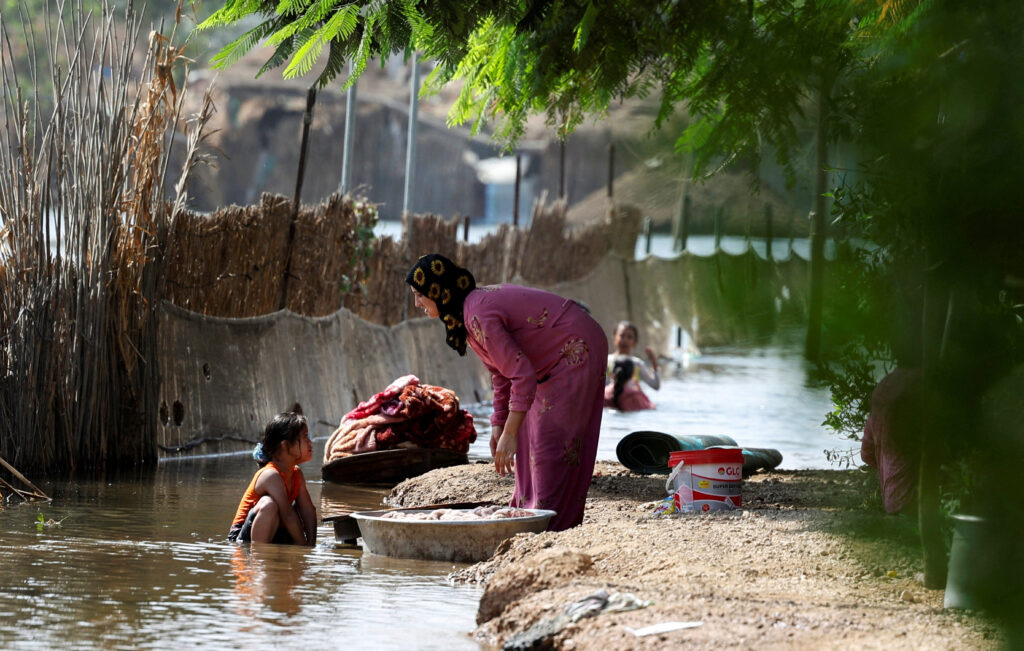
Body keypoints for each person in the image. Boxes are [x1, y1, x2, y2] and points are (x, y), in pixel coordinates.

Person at [406, 253, 607, 531]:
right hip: (553, 354)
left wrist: (509, 433)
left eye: (419, 294)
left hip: (575, 345)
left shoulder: (477, 313)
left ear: (438, 291)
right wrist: (499, 426)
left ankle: (551, 525)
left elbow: (521, 375)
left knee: (550, 442)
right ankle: (527, 516)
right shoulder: (467, 314)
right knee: (525, 432)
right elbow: (501, 373)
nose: (416, 302)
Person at [228, 412, 317, 545]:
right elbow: (288, 515)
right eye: (305, 437)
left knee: (295, 510)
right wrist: (303, 548)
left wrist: (311, 545)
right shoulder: (270, 475)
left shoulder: (297, 473)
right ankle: (259, 558)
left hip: (276, 533)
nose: (310, 442)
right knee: (269, 504)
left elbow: (308, 511)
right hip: (242, 539)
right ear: (286, 446)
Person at [861, 367, 923, 515]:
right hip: (920, 505)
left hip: (894, 502)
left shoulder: (884, 387)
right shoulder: (922, 382)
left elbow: (866, 453)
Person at [604, 321, 660, 411]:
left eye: (629, 337)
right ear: (614, 337)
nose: (625, 340)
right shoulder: (606, 361)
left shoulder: (637, 364)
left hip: (631, 405)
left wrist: (654, 364)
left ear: (634, 342)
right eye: (622, 336)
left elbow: (655, 386)